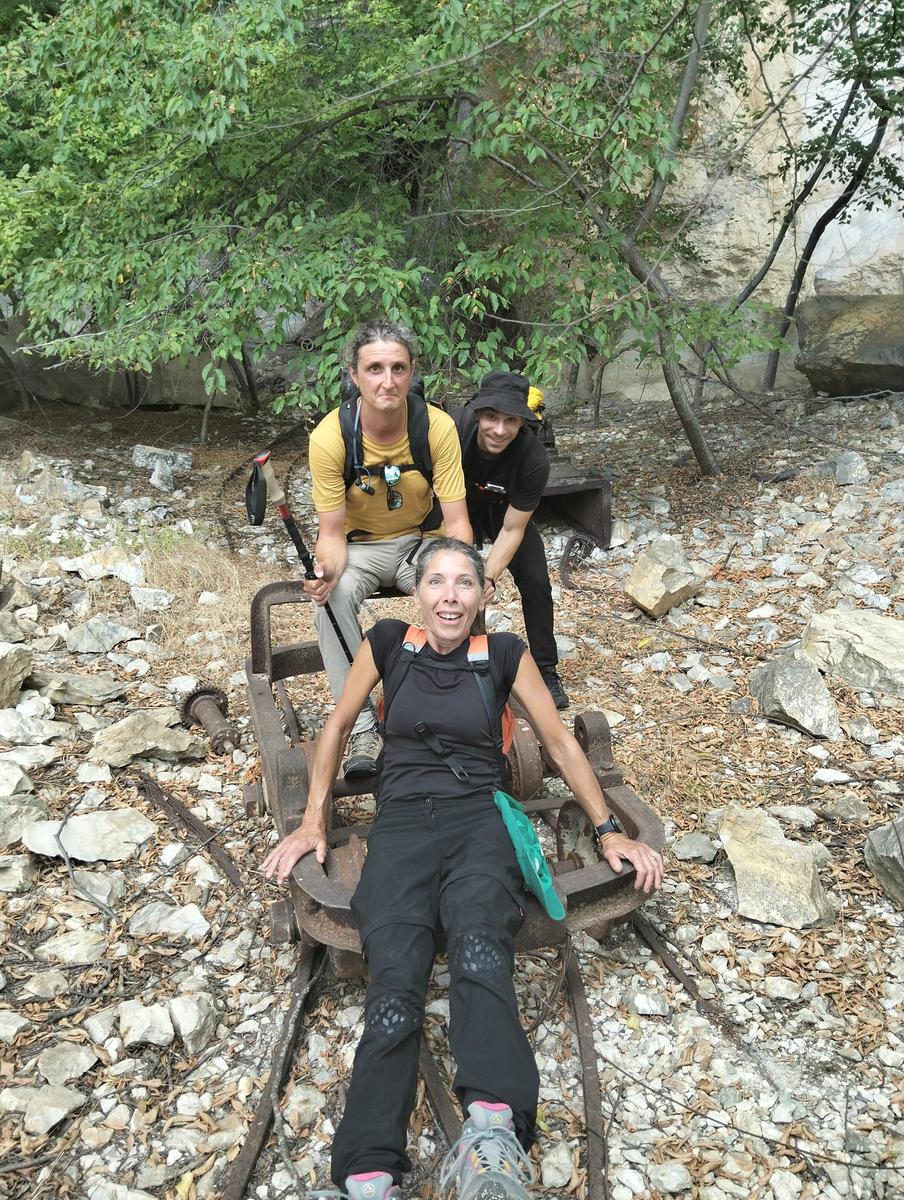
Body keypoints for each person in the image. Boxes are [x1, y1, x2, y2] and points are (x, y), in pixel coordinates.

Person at [264, 537, 664, 1200]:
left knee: (481, 946)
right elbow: (335, 728)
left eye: (464, 584)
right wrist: (312, 823)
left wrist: (607, 831)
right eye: (438, 583)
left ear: (482, 596)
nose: (450, 595)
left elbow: (560, 741)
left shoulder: (504, 654)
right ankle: (367, 1171)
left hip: (479, 818)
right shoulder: (389, 642)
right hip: (400, 825)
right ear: (418, 592)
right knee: (395, 972)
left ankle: (494, 1134)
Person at [305, 317, 471, 779]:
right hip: (358, 548)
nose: (388, 381)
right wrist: (326, 571)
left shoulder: (436, 427)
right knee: (331, 598)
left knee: (455, 591)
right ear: (354, 375)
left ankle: (454, 704)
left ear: (412, 372)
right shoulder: (330, 437)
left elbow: (457, 520)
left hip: (420, 542)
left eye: (398, 368)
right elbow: (332, 533)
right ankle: (360, 725)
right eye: (375, 369)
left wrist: (469, 573)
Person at [450, 371, 569, 710]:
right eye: (491, 418)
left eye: (510, 421)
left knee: (535, 581)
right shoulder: (453, 432)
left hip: (508, 509)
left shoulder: (533, 459)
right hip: (460, 507)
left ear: (521, 422)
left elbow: (514, 529)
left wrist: (489, 576)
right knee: (458, 580)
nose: (499, 430)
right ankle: (459, 657)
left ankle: (546, 669)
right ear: (477, 414)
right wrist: (472, 572)